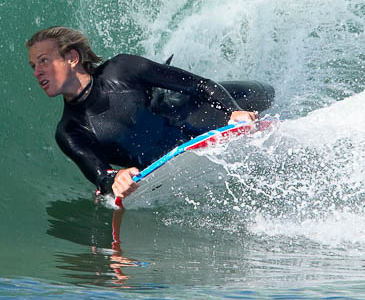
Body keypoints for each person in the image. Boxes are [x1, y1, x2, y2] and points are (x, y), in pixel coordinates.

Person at [27, 26, 261, 200]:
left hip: (199, 117)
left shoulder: (122, 69)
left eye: (44, 61)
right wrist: (115, 180)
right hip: (162, 167)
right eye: (34, 66)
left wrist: (234, 112)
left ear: (72, 58)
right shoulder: (70, 131)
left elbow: (201, 85)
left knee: (263, 93)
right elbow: (101, 175)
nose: (37, 72)